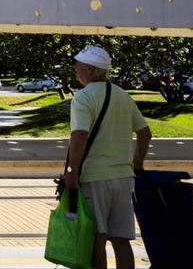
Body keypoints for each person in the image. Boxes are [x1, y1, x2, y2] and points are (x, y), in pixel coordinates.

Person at [65, 45, 152, 269]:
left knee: (96, 238)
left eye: (78, 65)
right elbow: (144, 133)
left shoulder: (83, 98)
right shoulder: (123, 96)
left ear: (91, 69)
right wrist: (137, 164)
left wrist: (72, 172)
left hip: (95, 177)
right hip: (124, 178)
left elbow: (80, 135)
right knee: (121, 240)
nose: (75, 69)